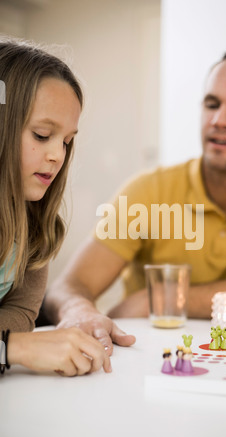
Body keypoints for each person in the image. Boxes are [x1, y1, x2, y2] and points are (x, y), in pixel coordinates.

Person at [43, 46, 226, 337]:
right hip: (149, 361)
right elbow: (68, 287)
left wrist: (159, 300)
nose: (219, 121)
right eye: (212, 104)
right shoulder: (149, 190)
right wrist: (79, 311)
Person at [0, 38, 134, 377]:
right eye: (42, 135)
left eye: (66, 141)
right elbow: (15, 337)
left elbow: (21, 311)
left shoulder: (31, 222)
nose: (58, 155)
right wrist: (13, 347)